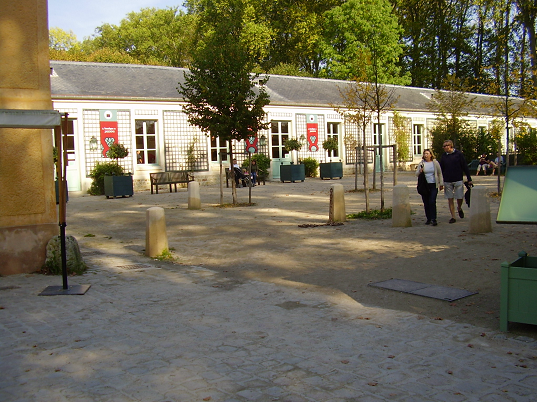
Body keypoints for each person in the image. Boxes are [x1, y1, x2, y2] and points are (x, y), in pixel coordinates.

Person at [439, 140, 473, 224]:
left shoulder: (458, 154)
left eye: (445, 146)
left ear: (450, 146)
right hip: (447, 180)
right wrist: (441, 181)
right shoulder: (443, 156)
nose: (444, 148)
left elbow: (464, 166)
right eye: (443, 146)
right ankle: (453, 216)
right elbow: (441, 169)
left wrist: (469, 179)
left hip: (458, 179)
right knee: (450, 198)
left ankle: (459, 208)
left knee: (459, 197)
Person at [416, 149, 444, 226]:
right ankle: (428, 218)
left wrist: (441, 183)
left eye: (427, 153)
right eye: (425, 153)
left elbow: (439, 173)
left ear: (431, 154)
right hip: (425, 185)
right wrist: (420, 171)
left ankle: (433, 219)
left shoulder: (435, 163)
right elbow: (416, 174)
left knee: (432, 201)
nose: (426, 155)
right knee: (426, 202)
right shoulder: (421, 163)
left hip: (433, 184)